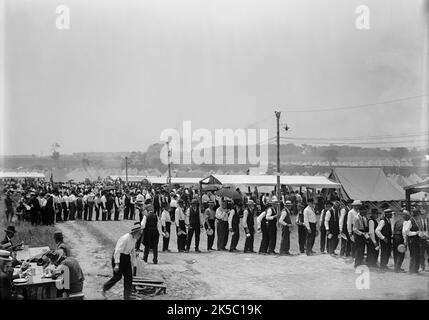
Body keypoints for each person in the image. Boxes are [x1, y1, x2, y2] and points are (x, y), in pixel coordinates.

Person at [102, 224, 142, 300]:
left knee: (129, 277)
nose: (140, 235)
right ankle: (105, 287)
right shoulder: (125, 238)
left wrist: (134, 264)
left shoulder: (134, 239)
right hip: (118, 257)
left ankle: (127, 296)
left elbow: (133, 251)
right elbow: (117, 251)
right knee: (117, 277)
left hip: (126, 257)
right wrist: (117, 264)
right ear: (135, 232)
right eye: (139, 233)